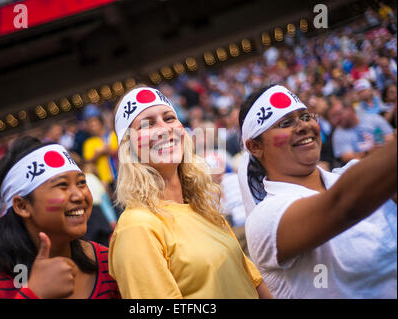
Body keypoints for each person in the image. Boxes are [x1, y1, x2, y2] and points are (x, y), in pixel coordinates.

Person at [108, 86, 272, 299]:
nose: (163, 129)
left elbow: (252, 280)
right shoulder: (136, 226)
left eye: (168, 118)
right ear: (128, 148)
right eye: (147, 124)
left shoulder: (203, 207)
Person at [238, 84, 397, 298]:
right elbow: (343, 206)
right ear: (255, 147)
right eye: (285, 123)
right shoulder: (264, 219)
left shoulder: (351, 174)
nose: (303, 126)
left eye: (305, 117)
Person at [0, 136, 120, 299]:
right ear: (22, 206)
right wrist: (34, 293)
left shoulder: (106, 261)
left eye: (81, 183)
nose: (79, 195)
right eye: (62, 185)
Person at [331, 99, 394, 163]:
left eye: (339, 114)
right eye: (334, 117)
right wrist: (369, 151)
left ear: (350, 109)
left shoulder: (374, 119)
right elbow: (347, 157)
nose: (336, 120)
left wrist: (382, 143)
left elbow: (391, 136)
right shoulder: (338, 134)